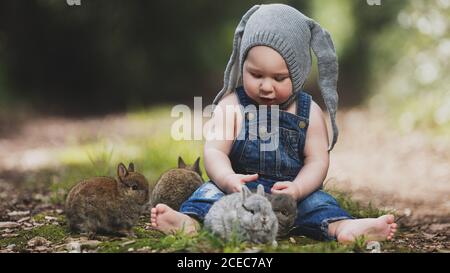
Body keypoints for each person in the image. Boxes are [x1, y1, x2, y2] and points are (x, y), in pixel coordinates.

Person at [151, 4, 397, 243]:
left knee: (319, 204)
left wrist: (298, 189)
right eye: (256, 75)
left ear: (299, 73)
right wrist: (227, 178)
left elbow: (317, 160)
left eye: (279, 78)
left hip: (289, 199)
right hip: (239, 194)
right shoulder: (232, 105)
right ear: (242, 65)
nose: (266, 87)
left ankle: (344, 227)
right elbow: (215, 150)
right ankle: (189, 221)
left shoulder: (308, 112)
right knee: (208, 195)